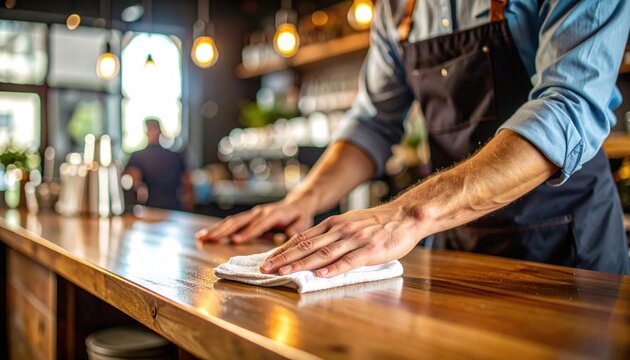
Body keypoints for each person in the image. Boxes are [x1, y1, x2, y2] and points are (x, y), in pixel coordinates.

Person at [197, 0, 630, 275]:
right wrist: (303, 201)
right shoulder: (395, 9)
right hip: (459, 247)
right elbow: (373, 122)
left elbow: (569, 103)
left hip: (569, 247)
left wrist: (409, 214)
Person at [125, 118, 193, 211]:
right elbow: (187, 183)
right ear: (160, 132)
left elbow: (134, 183)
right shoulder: (175, 155)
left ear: (146, 132)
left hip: (150, 209)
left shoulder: (138, 156)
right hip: (174, 208)